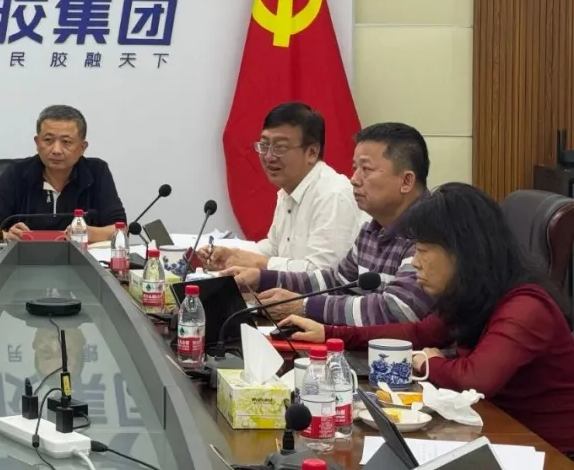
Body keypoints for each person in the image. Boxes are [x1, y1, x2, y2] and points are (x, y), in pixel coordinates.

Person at [278, 183, 574, 456]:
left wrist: (426, 363)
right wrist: (331, 334)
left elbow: (476, 379)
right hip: (494, 433)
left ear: (462, 252)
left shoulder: (526, 307)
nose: (415, 263)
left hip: (546, 454)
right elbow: (419, 333)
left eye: (421, 251)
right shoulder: (474, 293)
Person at [215, 122, 434, 325]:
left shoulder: (430, 230)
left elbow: (398, 309)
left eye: (366, 170)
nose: (354, 179)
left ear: (406, 181)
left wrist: (304, 306)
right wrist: (263, 279)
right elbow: (337, 281)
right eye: (355, 168)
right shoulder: (372, 229)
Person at [197, 102, 364, 272]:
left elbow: (323, 273)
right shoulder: (288, 191)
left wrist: (259, 263)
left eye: (280, 148)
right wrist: (232, 255)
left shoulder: (333, 195)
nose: (269, 157)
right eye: (264, 145)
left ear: (312, 152)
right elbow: (274, 248)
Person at [0, 105, 127, 243]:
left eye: (66, 142)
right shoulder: (16, 172)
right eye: (48, 140)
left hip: (81, 258)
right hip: (26, 259)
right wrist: (5, 236)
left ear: (82, 147)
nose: (56, 150)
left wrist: (90, 233)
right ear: (37, 143)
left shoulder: (97, 172)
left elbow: (120, 228)